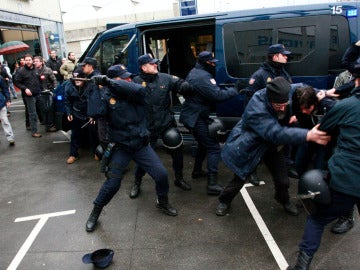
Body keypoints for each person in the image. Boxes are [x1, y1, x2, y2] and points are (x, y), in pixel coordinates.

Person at [215, 77, 331, 217]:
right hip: (253, 146)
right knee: (240, 177)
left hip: (273, 147)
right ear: (269, 99)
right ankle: (224, 200)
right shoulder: (257, 107)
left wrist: (325, 93)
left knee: (283, 181)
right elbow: (274, 132)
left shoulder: (287, 91)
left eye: (284, 104)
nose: (282, 108)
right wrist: (307, 135)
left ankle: (284, 200)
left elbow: (305, 89)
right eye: (278, 105)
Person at [85, 65, 178, 232]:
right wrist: (94, 87)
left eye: (128, 76)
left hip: (140, 144)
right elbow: (94, 111)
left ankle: (162, 202)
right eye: (124, 77)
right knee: (112, 185)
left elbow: (136, 89)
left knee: (161, 175)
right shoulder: (106, 95)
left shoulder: (136, 91)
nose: (129, 79)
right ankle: (95, 212)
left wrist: (109, 81)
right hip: (122, 147)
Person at [287, 64, 360, 270]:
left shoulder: (345, 106)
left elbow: (320, 130)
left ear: (356, 79)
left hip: (347, 176)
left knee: (317, 220)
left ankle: (301, 267)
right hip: (348, 174)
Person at [128, 54, 192, 199]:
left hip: (165, 123)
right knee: (142, 156)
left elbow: (180, 84)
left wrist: (185, 86)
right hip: (146, 126)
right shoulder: (135, 81)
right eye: (152, 64)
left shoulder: (165, 78)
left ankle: (179, 178)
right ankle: (137, 182)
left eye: (155, 63)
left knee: (176, 147)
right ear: (144, 67)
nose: (156, 65)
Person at [179, 51, 239, 195]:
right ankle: (212, 184)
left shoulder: (196, 71)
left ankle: (197, 171)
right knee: (213, 147)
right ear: (206, 63)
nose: (214, 64)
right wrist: (235, 89)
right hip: (196, 117)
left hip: (195, 115)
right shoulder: (202, 77)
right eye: (212, 62)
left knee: (203, 144)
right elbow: (217, 95)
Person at [246, 43, 295, 185]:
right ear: (275, 56)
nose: (286, 57)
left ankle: (287, 166)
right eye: (283, 54)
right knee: (258, 144)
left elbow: (290, 94)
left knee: (285, 142)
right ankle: (251, 171)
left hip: (282, 116)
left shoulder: (283, 73)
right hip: (266, 118)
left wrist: (291, 114)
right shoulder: (260, 75)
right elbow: (250, 100)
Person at [63, 67, 99, 164]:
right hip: (76, 113)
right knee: (75, 134)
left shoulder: (91, 85)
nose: (77, 81)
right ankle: (73, 154)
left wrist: (93, 115)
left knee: (93, 134)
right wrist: (69, 112)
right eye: (75, 79)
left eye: (79, 79)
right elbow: (67, 101)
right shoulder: (69, 85)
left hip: (89, 114)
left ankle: (97, 152)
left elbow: (94, 101)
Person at [13, 54, 42, 138]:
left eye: (29, 60)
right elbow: (16, 82)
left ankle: (46, 125)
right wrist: (25, 88)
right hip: (29, 96)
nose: (28, 61)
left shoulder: (36, 69)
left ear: (32, 60)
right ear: (24, 61)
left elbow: (39, 79)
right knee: (32, 114)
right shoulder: (21, 71)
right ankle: (34, 131)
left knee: (42, 110)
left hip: (38, 93)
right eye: (26, 60)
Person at [34, 56, 57, 132]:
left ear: (41, 62)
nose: (35, 62)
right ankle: (46, 123)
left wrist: (54, 89)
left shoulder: (47, 70)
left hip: (47, 92)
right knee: (42, 109)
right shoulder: (33, 71)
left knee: (49, 108)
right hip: (38, 93)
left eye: (37, 61)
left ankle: (50, 125)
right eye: (34, 61)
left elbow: (54, 80)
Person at [0, 74, 15, 145]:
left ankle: (10, 137)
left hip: (1, 103)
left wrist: (8, 100)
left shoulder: (0, 78)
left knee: (5, 120)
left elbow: (5, 89)